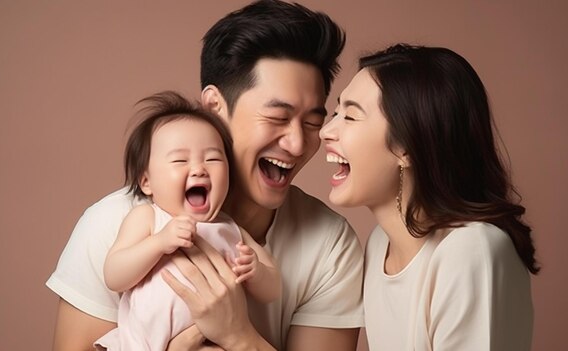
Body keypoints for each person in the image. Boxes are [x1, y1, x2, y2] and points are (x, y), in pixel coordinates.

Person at [47, 1, 364, 350]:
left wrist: (238, 335)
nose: (297, 142)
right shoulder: (114, 224)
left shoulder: (330, 245)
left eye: (312, 123)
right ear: (215, 106)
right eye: (276, 117)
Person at [319, 43, 538, 350]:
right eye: (335, 112)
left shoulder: (471, 250)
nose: (325, 131)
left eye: (350, 117)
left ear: (406, 147)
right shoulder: (381, 243)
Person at [93, 91, 280, 350]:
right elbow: (114, 275)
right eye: (180, 160)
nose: (199, 168)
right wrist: (159, 243)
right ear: (146, 182)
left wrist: (256, 271)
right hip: (142, 344)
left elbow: (274, 288)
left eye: (213, 158)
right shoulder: (149, 218)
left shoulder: (230, 228)